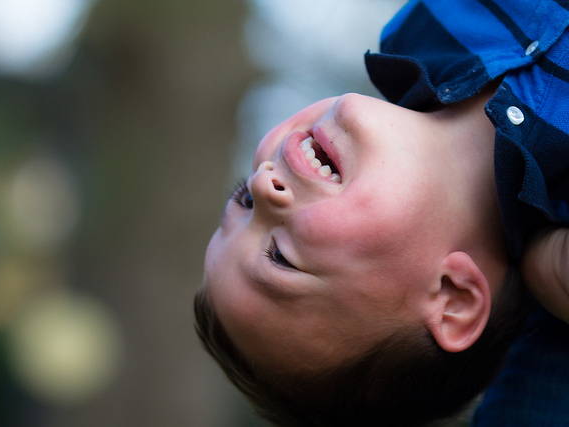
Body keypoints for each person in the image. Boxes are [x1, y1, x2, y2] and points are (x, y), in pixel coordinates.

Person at [195, 0, 569, 425]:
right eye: (279, 255)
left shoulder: (422, 26)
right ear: (452, 299)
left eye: (243, 199)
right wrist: (549, 271)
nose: (263, 184)